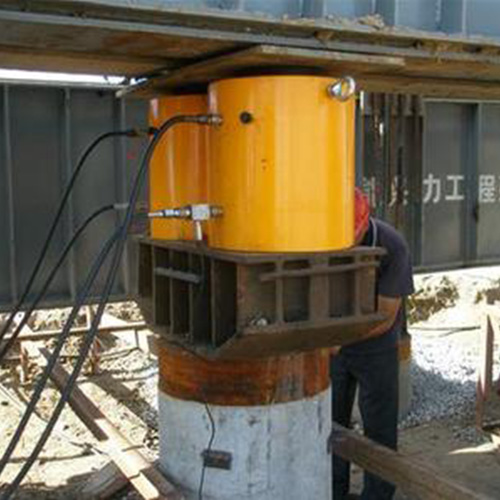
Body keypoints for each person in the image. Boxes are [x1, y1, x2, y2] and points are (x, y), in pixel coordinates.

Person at [331, 188, 414, 500]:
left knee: (379, 429)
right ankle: (333, 490)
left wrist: (339, 341)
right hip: (333, 343)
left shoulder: (392, 246)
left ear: (364, 223)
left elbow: (386, 315)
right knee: (329, 423)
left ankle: (377, 495)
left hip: (376, 347)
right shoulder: (322, 237)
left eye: (351, 235)